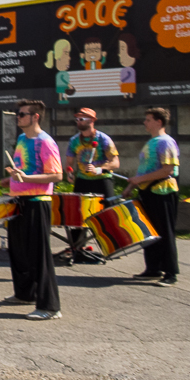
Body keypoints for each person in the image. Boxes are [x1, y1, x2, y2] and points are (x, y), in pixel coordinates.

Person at [1, 99, 63, 320]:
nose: (18, 117)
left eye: (22, 114)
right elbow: (23, 169)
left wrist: (26, 178)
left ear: (35, 116)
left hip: (38, 201)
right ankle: (25, 293)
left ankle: (50, 306)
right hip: (19, 200)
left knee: (39, 254)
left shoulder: (45, 142)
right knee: (18, 250)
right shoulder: (21, 139)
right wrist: (11, 178)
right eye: (17, 114)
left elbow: (57, 175)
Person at [123, 107, 180, 286]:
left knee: (164, 232)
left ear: (159, 122)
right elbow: (145, 169)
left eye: (148, 119)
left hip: (162, 192)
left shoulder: (165, 142)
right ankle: (153, 268)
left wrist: (139, 180)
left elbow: (167, 170)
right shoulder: (152, 142)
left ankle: (170, 273)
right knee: (150, 232)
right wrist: (131, 185)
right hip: (147, 191)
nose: (145, 122)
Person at [63, 107, 119, 263]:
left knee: (108, 213)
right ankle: (77, 247)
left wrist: (99, 169)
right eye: (77, 119)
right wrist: (69, 173)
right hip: (83, 180)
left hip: (102, 180)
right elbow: (69, 163)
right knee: (77, 215)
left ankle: (113, 246)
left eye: (82, 119)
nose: (78, 122)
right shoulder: (74, 140)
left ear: (92, 121)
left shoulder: (103, 139)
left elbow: (115, 162)